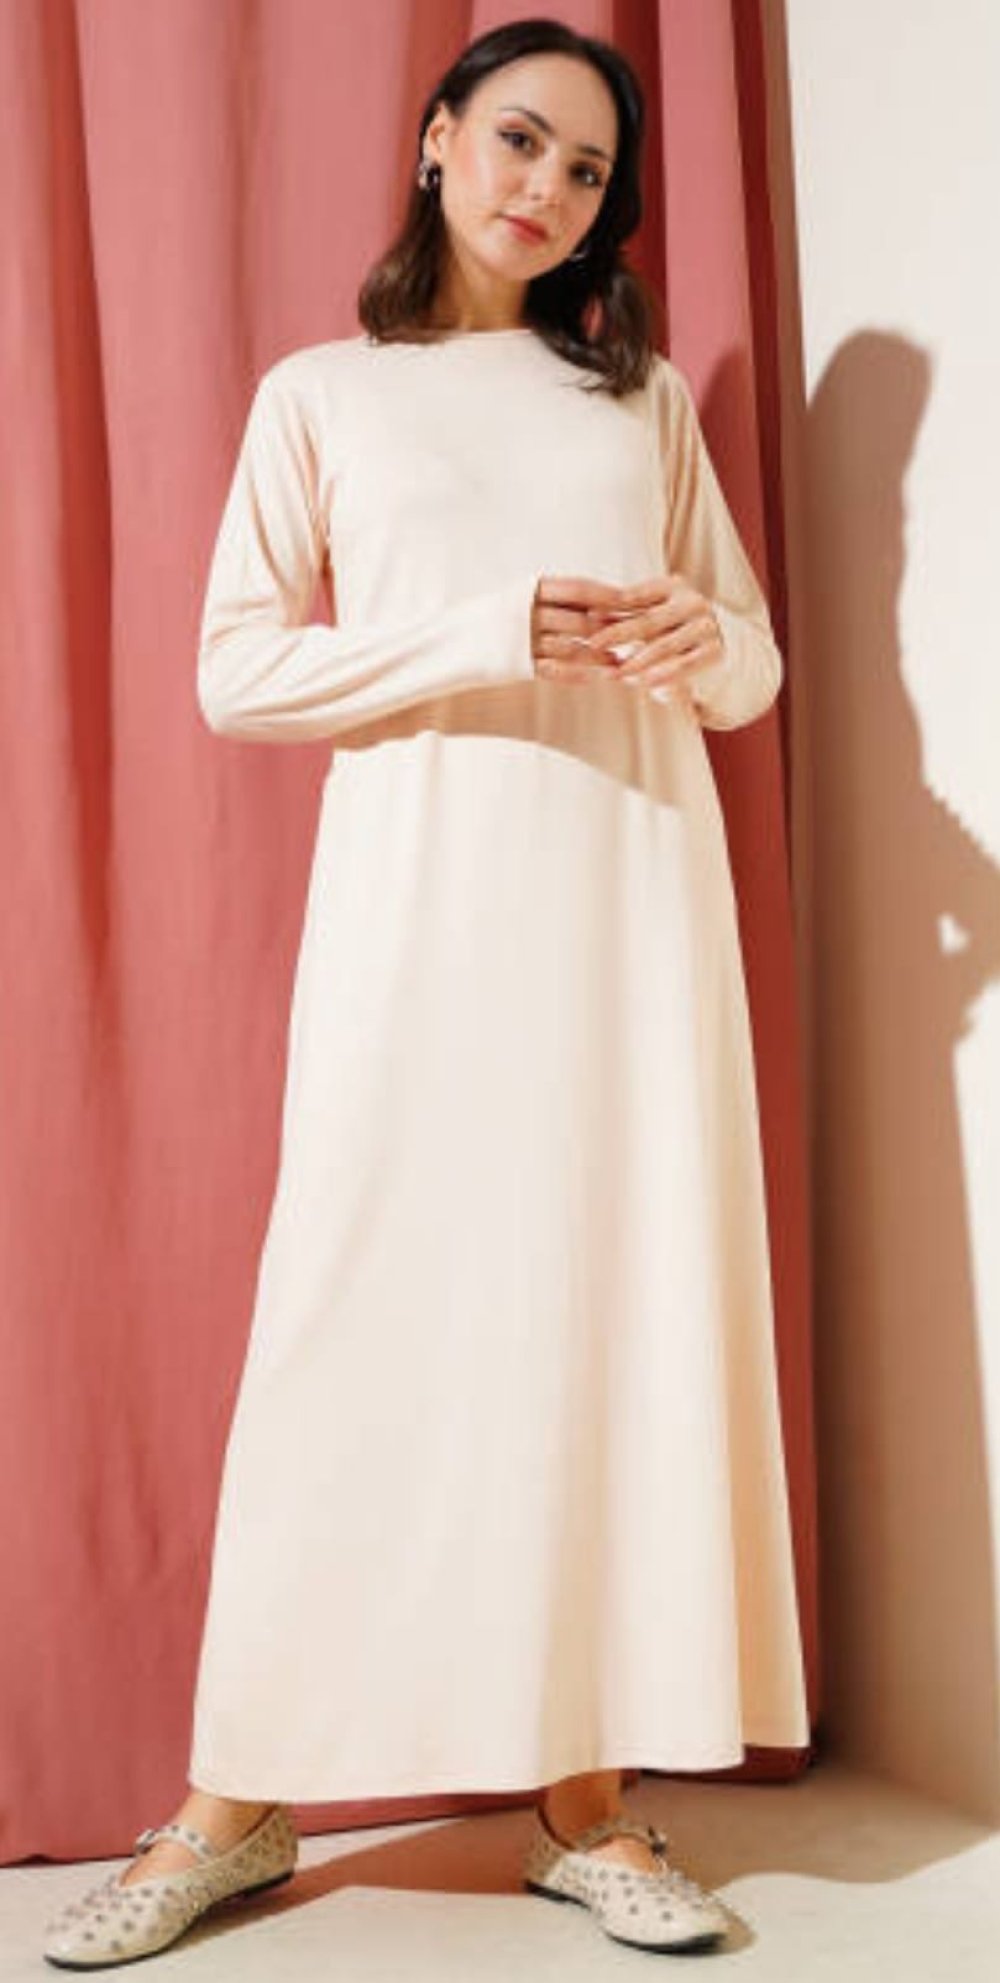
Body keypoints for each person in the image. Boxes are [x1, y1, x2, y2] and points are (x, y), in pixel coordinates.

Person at [43, 15, 810, 1969]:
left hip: (630, 907)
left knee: (606, 1309)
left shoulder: (633, 404)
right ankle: (233, 1804)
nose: (547, 188)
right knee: (354, 1308)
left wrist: (692, 632)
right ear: (437, 136)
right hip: (422, 906)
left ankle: (582, 1801)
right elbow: (235, 670)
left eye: (587, 172)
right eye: (521, 141)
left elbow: (748, 671)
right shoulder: (325, 397)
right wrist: (487, 627)